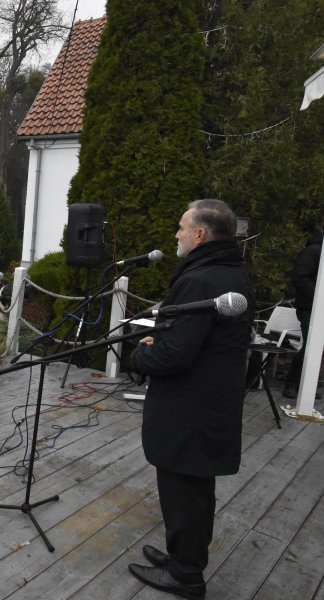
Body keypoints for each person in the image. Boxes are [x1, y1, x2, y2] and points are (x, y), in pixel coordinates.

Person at [127, 199, 255, 599]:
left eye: (182, 227)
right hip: (208, 403)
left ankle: (186, 574)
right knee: (193, 490)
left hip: (191, 410)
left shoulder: (202, 280)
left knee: (185, 490)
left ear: (200, 234)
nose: (177, 234)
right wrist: (166, 337)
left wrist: (141, 352)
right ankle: (183, 555)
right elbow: (196, 338)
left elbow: (176, 355)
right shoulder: (227, 271)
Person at [283, 224, 322, 400]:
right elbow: (300, 278)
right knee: (309, 346)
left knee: (318, 348)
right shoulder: (313, 251)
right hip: (309, 308)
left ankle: (308, 385)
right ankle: (292, 384)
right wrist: (319, 298)